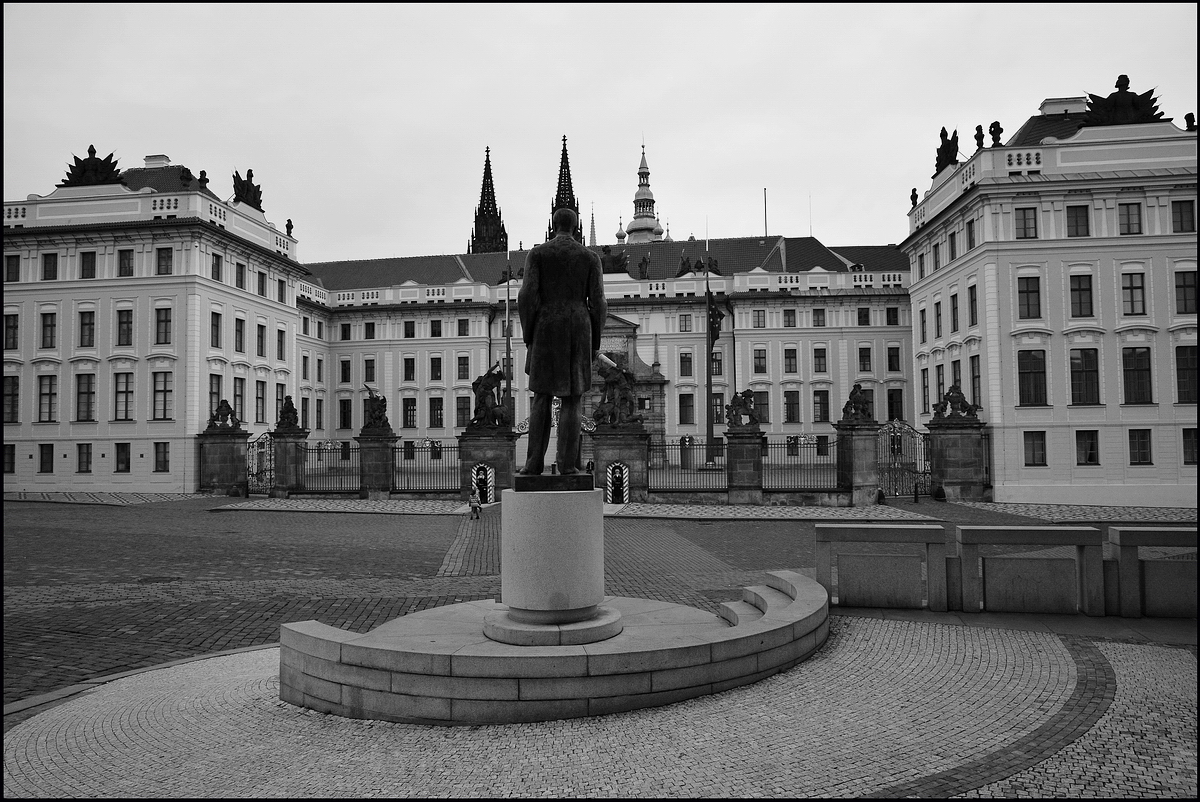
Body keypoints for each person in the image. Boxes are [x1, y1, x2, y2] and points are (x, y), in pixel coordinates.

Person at [517, 207, 606, 475]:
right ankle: (568, 466)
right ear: (576, 226)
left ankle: (533, 465)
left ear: (553, 225)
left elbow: (526, 296)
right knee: (573, 398)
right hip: (579, 326)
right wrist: (595, 340)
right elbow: (599, 302)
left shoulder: (538, 254)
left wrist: (528, 332)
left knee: (541, 397)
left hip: (546, 325)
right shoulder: (590, 258)